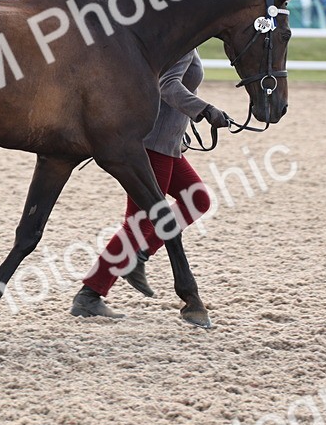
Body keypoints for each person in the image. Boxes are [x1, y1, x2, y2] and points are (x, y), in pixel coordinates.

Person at [71, 49, 233, 319]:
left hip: (167, 143)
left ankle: (139, 255)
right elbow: (168, 86)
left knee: (197, 199)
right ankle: (90, 294)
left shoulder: (185, 42)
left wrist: (179, 130)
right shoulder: (182, 44)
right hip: (154, 145)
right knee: (141, 221)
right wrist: (205, 110)